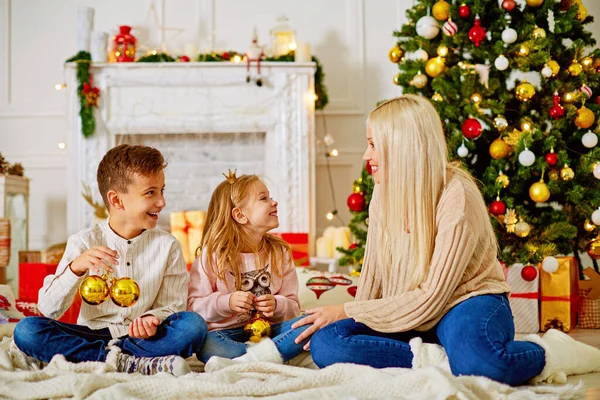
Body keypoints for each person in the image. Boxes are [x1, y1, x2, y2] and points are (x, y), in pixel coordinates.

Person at [291, 95, 600, 386]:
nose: (365, 156)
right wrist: (356, 317)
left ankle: (554, 353)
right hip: (411, 311)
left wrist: (347, 311)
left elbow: (434, 296)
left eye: (373, 145)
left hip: (464, 302)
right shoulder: (382, 194)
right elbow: (374, 279)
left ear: (402, 146)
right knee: (328, 344)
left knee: (483, 364)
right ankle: (444, 360)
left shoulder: (457, 194)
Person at [14, 144, 207, 376]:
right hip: (90, 333)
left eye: (162, 191)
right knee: (27, 330)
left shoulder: (168, 246)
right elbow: (47, 309)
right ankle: (132, 363)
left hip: (142, 338)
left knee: (193, 325)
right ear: (116, 200)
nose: (162, 202)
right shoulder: (83, 242)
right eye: (150, 192)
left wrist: (151, 319)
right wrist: (75, 268)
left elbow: (173, 306)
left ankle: (105, 360)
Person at [187, 171, 311, 372]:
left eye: (270, 197)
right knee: (207, 345)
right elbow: (193, 308)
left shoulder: (280, 252)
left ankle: (244, 362)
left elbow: (293, 306)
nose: (274, 202)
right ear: (240, 215)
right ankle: (272, 356)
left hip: (271, 331)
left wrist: (277, 304)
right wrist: (226, 303)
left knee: (310, 325)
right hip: (225, 333)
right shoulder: (212, 256)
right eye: (264, 198)